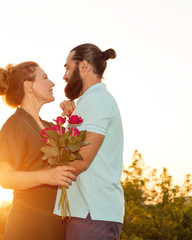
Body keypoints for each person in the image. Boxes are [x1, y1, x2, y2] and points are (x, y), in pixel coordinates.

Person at [0, 61, 77, 240]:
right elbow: (4, 177)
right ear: (28, 86)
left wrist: (71, 118)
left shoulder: (50, 127)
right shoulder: (15, 125)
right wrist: (47, 176)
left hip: (56, 224)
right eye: (45, 78)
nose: (52, 83)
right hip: (30, 226)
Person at [54, 44, 125, 240]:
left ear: (84, 66)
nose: (65, 75)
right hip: (86, 212)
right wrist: (71, 118)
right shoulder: (89, 101)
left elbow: (81, 161)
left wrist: (41, 175)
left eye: (68, 67)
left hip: (93, 213)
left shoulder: (97, 100)